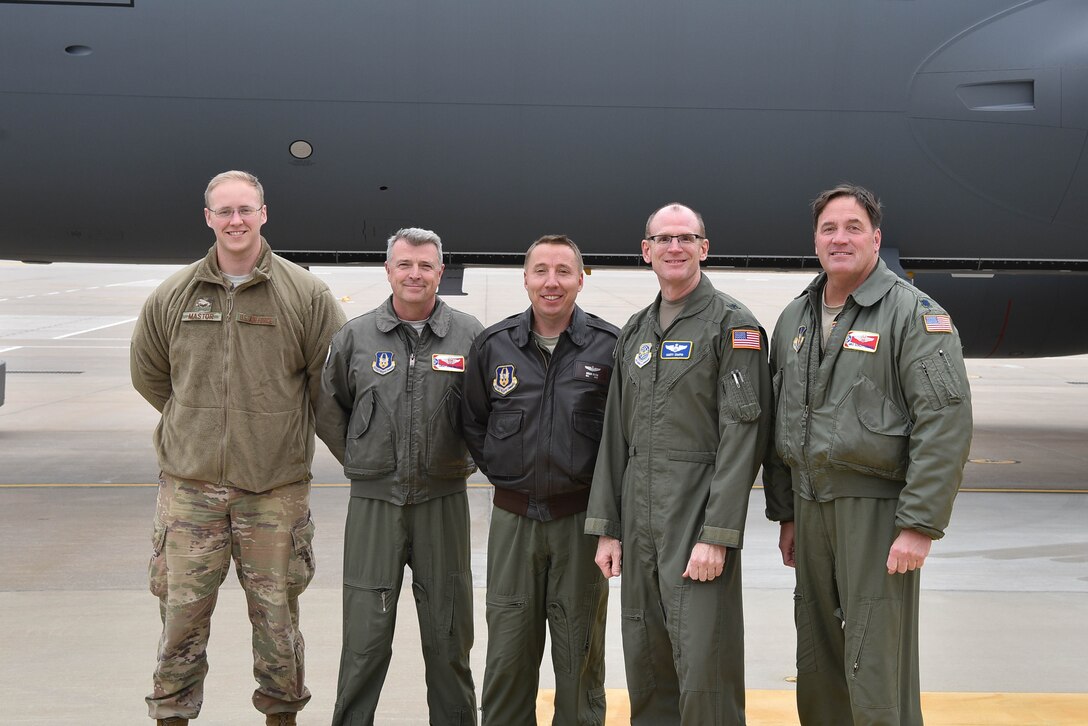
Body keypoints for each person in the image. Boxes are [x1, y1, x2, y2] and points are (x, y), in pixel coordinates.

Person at [130, 170, 347, 726]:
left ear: (264, 214)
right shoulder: (174, 296)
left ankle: (281, 716)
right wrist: (199, 427)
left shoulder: (304, 294)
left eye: (245, 209)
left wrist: (355, 461)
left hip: (273, 492)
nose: (235, 221)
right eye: (224, 211)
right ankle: (172, 716)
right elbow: (151, 376)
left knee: (277, 623)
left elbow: (330, 387)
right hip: (191, 491)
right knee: (181, 619)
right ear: (208, 219)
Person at [763, 184, 973, 725]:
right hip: (810, 512)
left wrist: (919, 525)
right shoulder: (795, 319)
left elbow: (944, 422)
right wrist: (786, 513)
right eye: (829, 228)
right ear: (815, 240)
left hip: (876, 513)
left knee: (875, 659)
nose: (840, 238)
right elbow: (781, 423)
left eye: (853, 227)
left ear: (876, 238)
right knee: (817, 656)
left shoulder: (914, 316)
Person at [585, 204, 772, 725]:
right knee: (647, 661)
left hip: (694, 517)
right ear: (645, 251)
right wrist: (608, 528)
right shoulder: (636, 330)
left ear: (703, 248)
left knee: (704, 666)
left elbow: (744, 436)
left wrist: (717, 534)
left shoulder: (734, 326)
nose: (674, 247)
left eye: (685, 238)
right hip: (639, 522)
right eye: (662, 239)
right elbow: (614, 438)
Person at [317, 227, 482, 726]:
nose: (415, 274)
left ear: (440, 272)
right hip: (375, 506)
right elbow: (329, 407)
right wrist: (364, 460)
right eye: (405, 265)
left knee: (450, 638)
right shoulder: (356, 336)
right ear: (388, 270)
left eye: (426, 265)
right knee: (364, 641)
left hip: (443, 501)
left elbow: (488, 411)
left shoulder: (470, 335)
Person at [462, 235, 619, 725]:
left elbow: (622, 438)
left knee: (580, 655)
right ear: (525, 277)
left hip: (580, 526)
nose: (552, 282)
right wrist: (509, 474)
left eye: (564, 271)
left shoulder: (610, 347)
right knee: (508, 654)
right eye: (541, 271)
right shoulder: (493, 345)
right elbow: (473, 423)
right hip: (513, 524)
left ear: (580, 277)